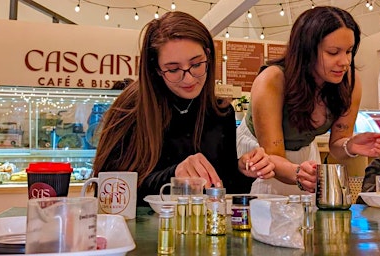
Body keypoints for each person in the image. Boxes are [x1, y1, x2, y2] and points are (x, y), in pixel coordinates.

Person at [93, 11, 274, 204]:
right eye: (173, 69)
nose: (188, 78)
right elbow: (105, 190)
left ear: (208, 56)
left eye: (196, 64)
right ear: (156, 69)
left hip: (200, 229)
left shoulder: (221, 112)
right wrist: (174, 176)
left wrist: (243, 170)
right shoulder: (131, 108)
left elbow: (223, 192)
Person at [237, 6, 380, 195]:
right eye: (333, 52)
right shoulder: (273, 80)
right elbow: (272, 156)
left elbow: (337, 145)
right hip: (258, 155)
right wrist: (298, 173)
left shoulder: (350, 81)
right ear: (306, 51)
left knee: (309, 216)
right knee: (267, 214)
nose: (344, 62)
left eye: (349, 51)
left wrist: (350, 146)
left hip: (305, 154)